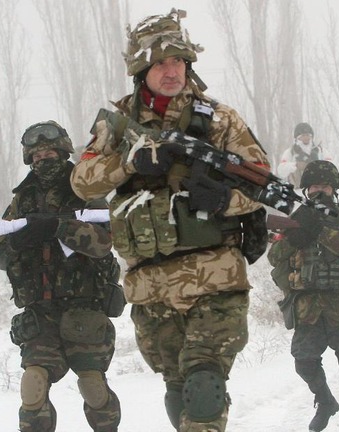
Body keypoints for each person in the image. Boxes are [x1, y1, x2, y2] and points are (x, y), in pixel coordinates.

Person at [70, 9, 270, 432]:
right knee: (178, 387)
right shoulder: (116, 124)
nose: (171, 70)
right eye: (160, 62)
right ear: (141, 69)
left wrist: (222, 200)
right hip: (150, 286)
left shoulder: (218, 119)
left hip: (213, 276)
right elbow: (82, 182)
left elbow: (260, 184)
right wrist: (126, 163)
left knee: (203, 384)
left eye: (178, 61)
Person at [0, 121, 123, 432]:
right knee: (33, 385)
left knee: (92, 386)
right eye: (36, 156)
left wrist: (59, 227)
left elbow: (104, 243)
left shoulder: (84, 192)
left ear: (62, 151)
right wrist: (18, 241)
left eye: (49, 152)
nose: (43, 160)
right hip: (41, 312)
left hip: (84, 309)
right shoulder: (21, 201)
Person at [267, 160, 339, 432]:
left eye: (323, 186)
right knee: (304, 361)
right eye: (313, 187)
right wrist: (295, 234)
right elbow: (274, 257)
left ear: (334, 189)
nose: (318, 191)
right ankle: (325, 401)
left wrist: (320, 229)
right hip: (308, 304)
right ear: (306, 190)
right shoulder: (295, 217)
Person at [277, 122, 330, 188]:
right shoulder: (290, 152)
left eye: (308, 135)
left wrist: (318, 167)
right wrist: (295, 165)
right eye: (303, 136)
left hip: (319, 191)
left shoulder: (321, 151)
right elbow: (281, 170)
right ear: (297, 138)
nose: (306, 137)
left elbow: (331, 167)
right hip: (297, 192)